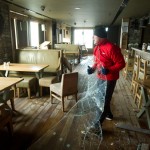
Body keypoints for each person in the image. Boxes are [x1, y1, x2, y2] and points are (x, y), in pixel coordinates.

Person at [87, 26, 125, 129]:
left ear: (100, 37)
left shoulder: (111, 48)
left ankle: (97, 124)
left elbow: (121, 64)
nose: (92, 38)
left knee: (103, 100)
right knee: (102, 97)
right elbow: (96, 61)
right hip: (100, 77)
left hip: (110, 78)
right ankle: (109, 114)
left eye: (94, 36)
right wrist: (92, 68)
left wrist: (109, 70)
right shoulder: (96, 47)